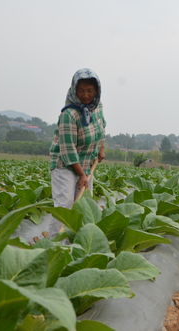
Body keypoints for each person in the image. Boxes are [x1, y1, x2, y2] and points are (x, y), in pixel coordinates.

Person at [47, 68, 106, 235]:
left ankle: (76, 242)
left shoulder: (97, 107)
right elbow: (68, 151)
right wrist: (81, 175)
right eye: (81, 91)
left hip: (87, 164)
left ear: (96, 91)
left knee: (83, 205)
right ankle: (55, 244)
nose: (85, 95)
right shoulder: (69, 114)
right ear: (74, 90)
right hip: (65, 165)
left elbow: (102, 127)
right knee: (65, 205)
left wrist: (101, 148)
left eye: (89, 91)